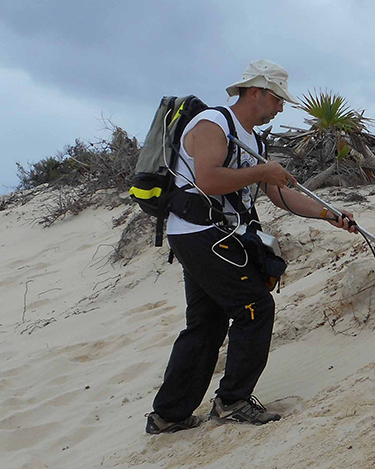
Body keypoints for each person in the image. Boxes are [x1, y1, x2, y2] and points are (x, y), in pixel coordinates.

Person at [145, 60, 358, 434]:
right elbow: (208, 180)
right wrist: (262, 171)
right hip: (197, 231)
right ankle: (232, 402)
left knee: (207, 323)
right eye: (278, 99)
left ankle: (169, 415)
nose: (281, 108)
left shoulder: (253, 140)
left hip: (214, 233)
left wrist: (328, 213)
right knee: (255, 307)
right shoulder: (214, 124)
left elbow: (278, 195)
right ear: (256, 92)